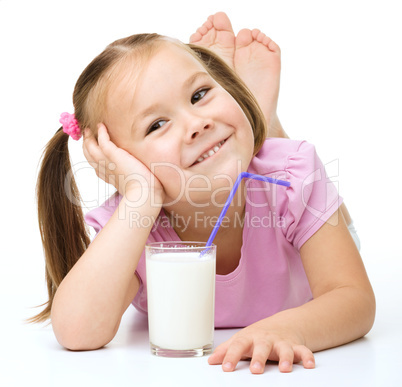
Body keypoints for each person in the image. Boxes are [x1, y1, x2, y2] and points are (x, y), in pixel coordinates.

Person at [34, 12, 375, 374]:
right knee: (249, 153)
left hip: (289, 205)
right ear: (119, 162)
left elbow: (353, 298)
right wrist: (141, 196)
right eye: (157, 124)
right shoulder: (132, 226)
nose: (197, 123)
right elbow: (76, 331)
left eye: (200, 94)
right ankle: (253, 118)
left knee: (316, 203)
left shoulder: (293, 174)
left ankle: (261, 124)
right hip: (164, 189)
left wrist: (287, 328)